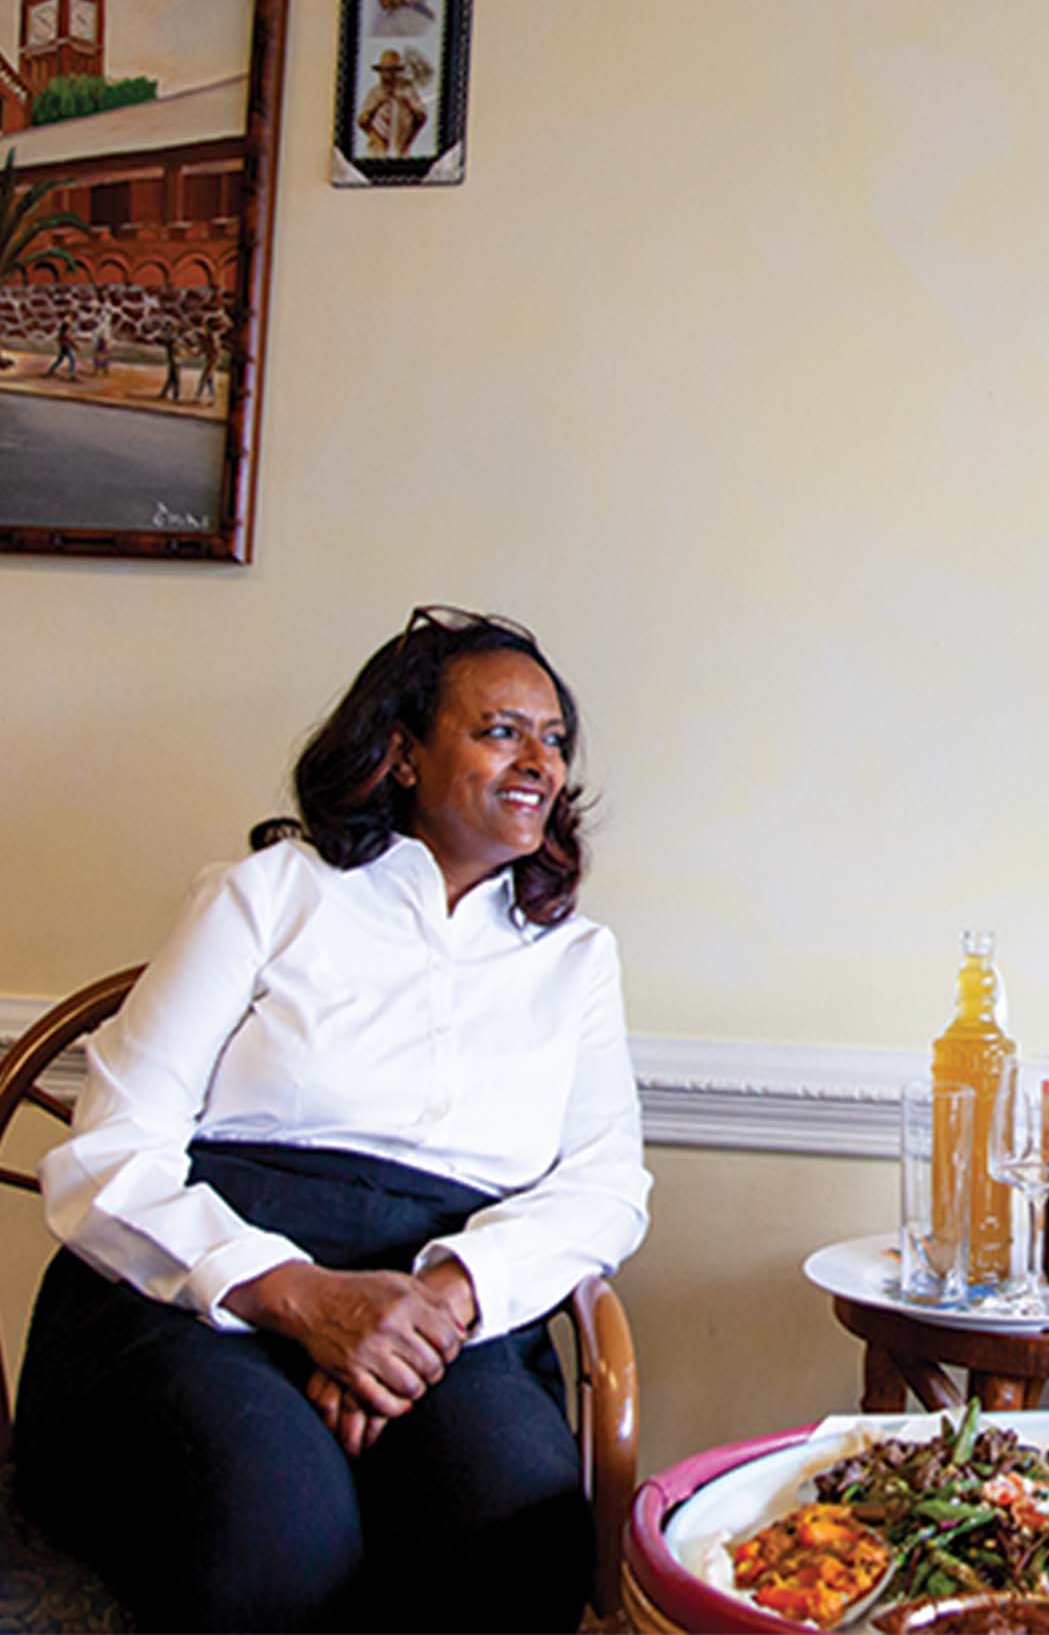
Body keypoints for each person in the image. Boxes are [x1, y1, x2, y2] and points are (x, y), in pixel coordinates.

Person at [14, 608, 651, 1635]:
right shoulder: (266, 895)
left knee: (515, 1521)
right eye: (500, 730)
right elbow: (107, 1154)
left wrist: (431, 1306)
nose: (540, 761)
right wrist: (302, 1298)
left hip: (447, 1307)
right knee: (276, 1525)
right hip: (197, 1295)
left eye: (554, 738)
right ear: (401, 753)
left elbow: (605, 1184)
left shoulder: (573, 959)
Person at [356, 48, 428, 157]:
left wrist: (409, 139)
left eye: (391, 71)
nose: (387, 75)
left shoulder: (407, 90)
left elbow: (421, 116)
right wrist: (376, 137)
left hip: (400, 145)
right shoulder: (375, 92)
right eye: (384, 71)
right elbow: (362, 120)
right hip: (379, 149)